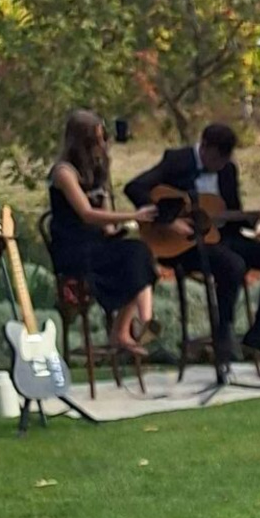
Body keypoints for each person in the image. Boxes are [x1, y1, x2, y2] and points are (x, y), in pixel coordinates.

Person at [126, 121, 260, 368]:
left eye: (226, 159)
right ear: (204, 148)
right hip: (184, 245)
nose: (221, 164)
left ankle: (258, 332)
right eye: (217, 158)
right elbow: (134, 188)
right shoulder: (176, 161)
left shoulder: (227, 171)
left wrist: (254, 218)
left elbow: (230, 216)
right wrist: (168, 221)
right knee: (233, 265)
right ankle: (223, 332)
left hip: (222, 238)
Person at [47, 109, 157, 366]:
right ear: (81, 142)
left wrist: (121, 225)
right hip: (75, 246)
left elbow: (105, 216)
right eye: (96, 140)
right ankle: (137, 326)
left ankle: (132, 327)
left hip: (98, 242)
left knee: (139, 252)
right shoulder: (64, 173)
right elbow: (86, 214)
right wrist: (133, 214)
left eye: (103, 138)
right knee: (131, 259)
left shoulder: (96, 169)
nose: (102, 144)